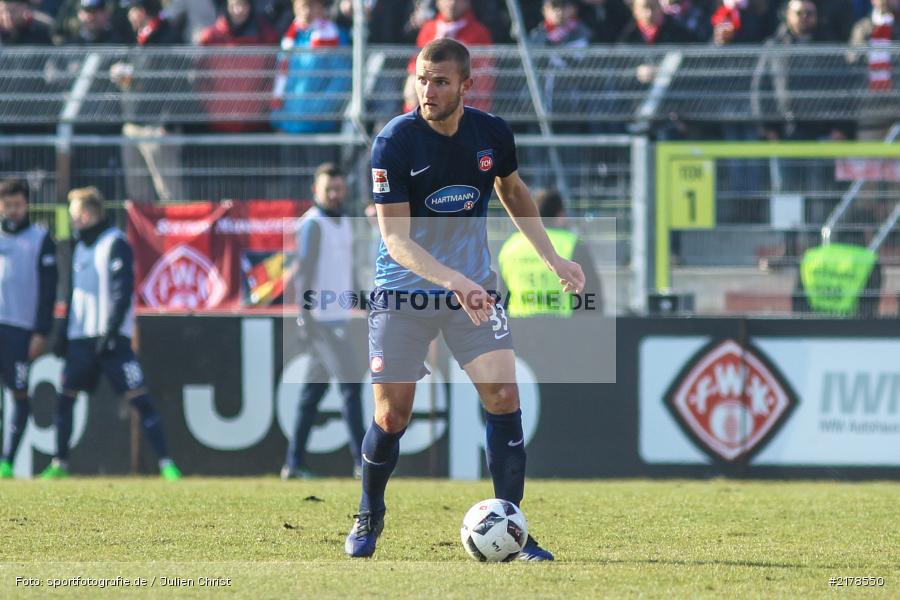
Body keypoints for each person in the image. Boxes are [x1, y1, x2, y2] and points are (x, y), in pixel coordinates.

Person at [344, 38, 585, 560]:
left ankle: (513, 528)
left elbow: (512, 190)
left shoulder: (491, 133)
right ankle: (369, 511)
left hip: (471, 292)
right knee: (392, 417)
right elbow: (396, 240)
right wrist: (455, 281)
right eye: (421, 80)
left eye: (440, 82)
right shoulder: (394, 142)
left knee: (503, 396)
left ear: (466, 86)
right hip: (405, 294)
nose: (427, 91)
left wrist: (553, 259)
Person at [44, 187, 182, 480]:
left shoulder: (115, 243)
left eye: (74, 214)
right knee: (65, 400)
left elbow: (122, 292)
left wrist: (111, 330)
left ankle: (167, 463)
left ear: (87, 214)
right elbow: (72, 294)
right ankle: (59, 464)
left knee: (140, 399)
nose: (72, 220)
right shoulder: (79, 248)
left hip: (112, 339)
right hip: (81, 339)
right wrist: (62, 333)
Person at [281, 163, 366, 480]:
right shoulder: (313, 224)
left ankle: (293, 463)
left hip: (338, 318)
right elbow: (304, 273)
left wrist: (364, 303)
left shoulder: (344, 223)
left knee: (311, 395)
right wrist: (304, 318)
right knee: (350, 386)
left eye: (338, 188)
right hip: (322, 323)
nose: (334, 194)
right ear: (315, 190)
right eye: (328, 189)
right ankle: (362, 462)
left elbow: (348, 270)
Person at [0, 179, 57, 478]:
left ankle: (7, 462)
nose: (13, 211)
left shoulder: (40, 239)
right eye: (8, 205)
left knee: (19, 395)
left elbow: (49, 291)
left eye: (18, 205)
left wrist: (41, 331)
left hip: (20, 330)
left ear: (27, 205)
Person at [498, 189, 603, 317]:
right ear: (560, 216)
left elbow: (502, 298)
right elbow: (592, 294)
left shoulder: (510, 246)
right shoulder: (572, 243)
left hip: (518, 326)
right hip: (561, 325)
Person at [198, 0, 280, 133]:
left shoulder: (266, 36)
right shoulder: (210, 37)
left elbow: (272, 75)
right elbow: (201, 76)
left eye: (243, 5)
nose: (239, 10)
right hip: (219, 121)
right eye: (234, 5)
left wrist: (261, 104)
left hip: (255, 122)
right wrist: (212, 105)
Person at [271, 0, 351, 134]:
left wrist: (320, 109)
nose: (306, 11)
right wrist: (277, 118)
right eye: (302, 6)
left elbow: (342, 78)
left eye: (312, 6)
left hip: (320, 127)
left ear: (321, 8)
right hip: (288, 125)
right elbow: (281, 78)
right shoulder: (289, 38)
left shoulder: (333, 35)